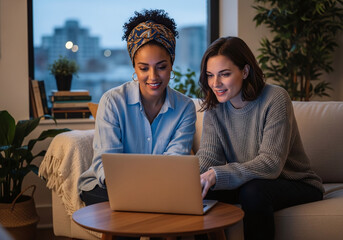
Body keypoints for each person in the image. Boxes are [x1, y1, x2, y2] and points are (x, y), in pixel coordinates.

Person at [197, 36, 324, 240]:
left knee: (253, 191)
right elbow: (209, 157)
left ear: (245, 71)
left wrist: (216, 175)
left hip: (295, 182)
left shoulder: (275, 98)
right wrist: (188, 179)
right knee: (198, 192)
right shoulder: (215, 106)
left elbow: (271, 164)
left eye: (224, 74)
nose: (215, 83)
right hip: (249, 182)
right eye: (210, 75)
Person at [78, 9, 196, 207]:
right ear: (134, 66)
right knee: (134, 209)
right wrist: (135, 189)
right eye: (144, 68)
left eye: (161, 66)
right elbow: (106, 163)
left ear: (172, 64)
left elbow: (174, 162)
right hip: (107, 186)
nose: (153, 76)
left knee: (159, 205)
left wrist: (149, 188)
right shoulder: (112, 102)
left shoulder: (185, 108)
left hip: (161, 187)